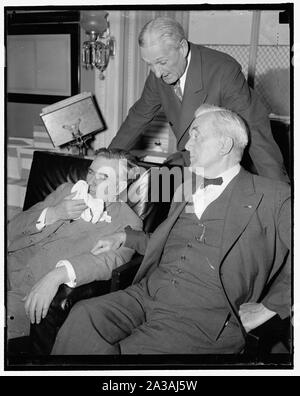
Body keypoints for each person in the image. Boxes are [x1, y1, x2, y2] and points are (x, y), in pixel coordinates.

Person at [51, 105, 291, 355]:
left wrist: (270, 308)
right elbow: (175, 241)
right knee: (83, 316)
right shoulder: (185, 187)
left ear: (224, 145)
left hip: (203, 321)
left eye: (196, 135)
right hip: (147, 294)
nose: (187, 145)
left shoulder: (273, 197)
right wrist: (126, 236)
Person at [109, 16, 288, 183]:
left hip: (226, 164)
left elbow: (257, 136)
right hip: (191, 159)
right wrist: (107, 160)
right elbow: (138, 117)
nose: (156, 73)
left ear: (182, 48)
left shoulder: (224, 71)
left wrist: (280, 197)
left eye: (161, 62)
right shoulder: (159, 72)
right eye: (150, 64)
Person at [6, 149, 143, 340]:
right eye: (91, 173)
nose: (91, 182)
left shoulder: (128, 222)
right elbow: (12, 229)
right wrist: (53, 213)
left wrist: (57, 275)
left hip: (26, 294)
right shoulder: (65, 191)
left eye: (103, 177)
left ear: (120, 185)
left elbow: (109, 261)